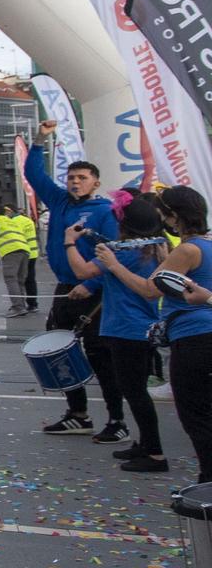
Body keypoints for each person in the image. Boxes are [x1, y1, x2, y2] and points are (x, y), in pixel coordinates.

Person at [25, 120, 124, 438]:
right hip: (66, 288)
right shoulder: (60, 201)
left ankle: (117, 421)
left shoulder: (105, 211)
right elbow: (34, 175)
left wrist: (90, 284)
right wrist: (40, 139)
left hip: (95, 290)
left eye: (82, 178)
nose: (75, 182)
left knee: (100, 355)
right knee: (59, 352)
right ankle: (77, 413)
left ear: (95, 182)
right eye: (71, 178)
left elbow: (112, 254)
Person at [66, 196, 169, 473]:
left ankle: (155, 453)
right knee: (135, 391)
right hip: (141, 326)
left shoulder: (122, 254)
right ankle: (145, 443)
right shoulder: (156, 247)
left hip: (126, 328)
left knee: (135, 393)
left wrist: (69, 241)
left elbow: (82, 270)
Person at [132, 186, 212, 478]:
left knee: (196, 415)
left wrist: (113, 265)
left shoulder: (189, 250)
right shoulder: (206, 245)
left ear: (173, 217)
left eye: (163, 215)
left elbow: (149, 290)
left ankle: (208, 480)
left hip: (194, 337)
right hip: (204, 333)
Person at [0, 204, 38, 317]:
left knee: (12, 279)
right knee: (26, 280)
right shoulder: (26, 219)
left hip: (13, 251)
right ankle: (30, 304)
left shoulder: (8, 221)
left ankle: (19, 306)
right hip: (29, 251)